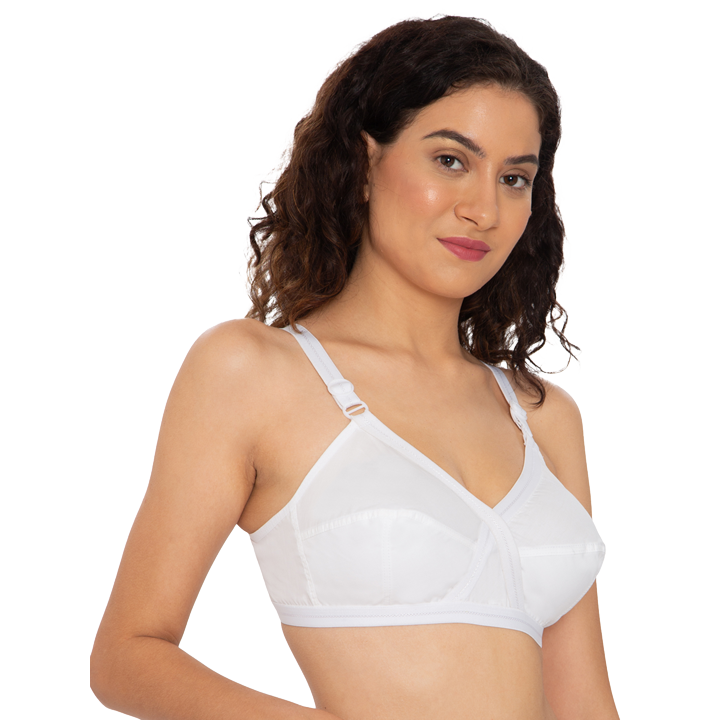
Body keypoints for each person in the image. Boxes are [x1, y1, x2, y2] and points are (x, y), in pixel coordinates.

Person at [91, 15, 620, 720]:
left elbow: (584, 703)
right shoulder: (251, 373)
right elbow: (127, 655)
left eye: (515, 178)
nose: (484, 209)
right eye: (450, 161)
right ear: (366, 163)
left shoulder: (543, 416)